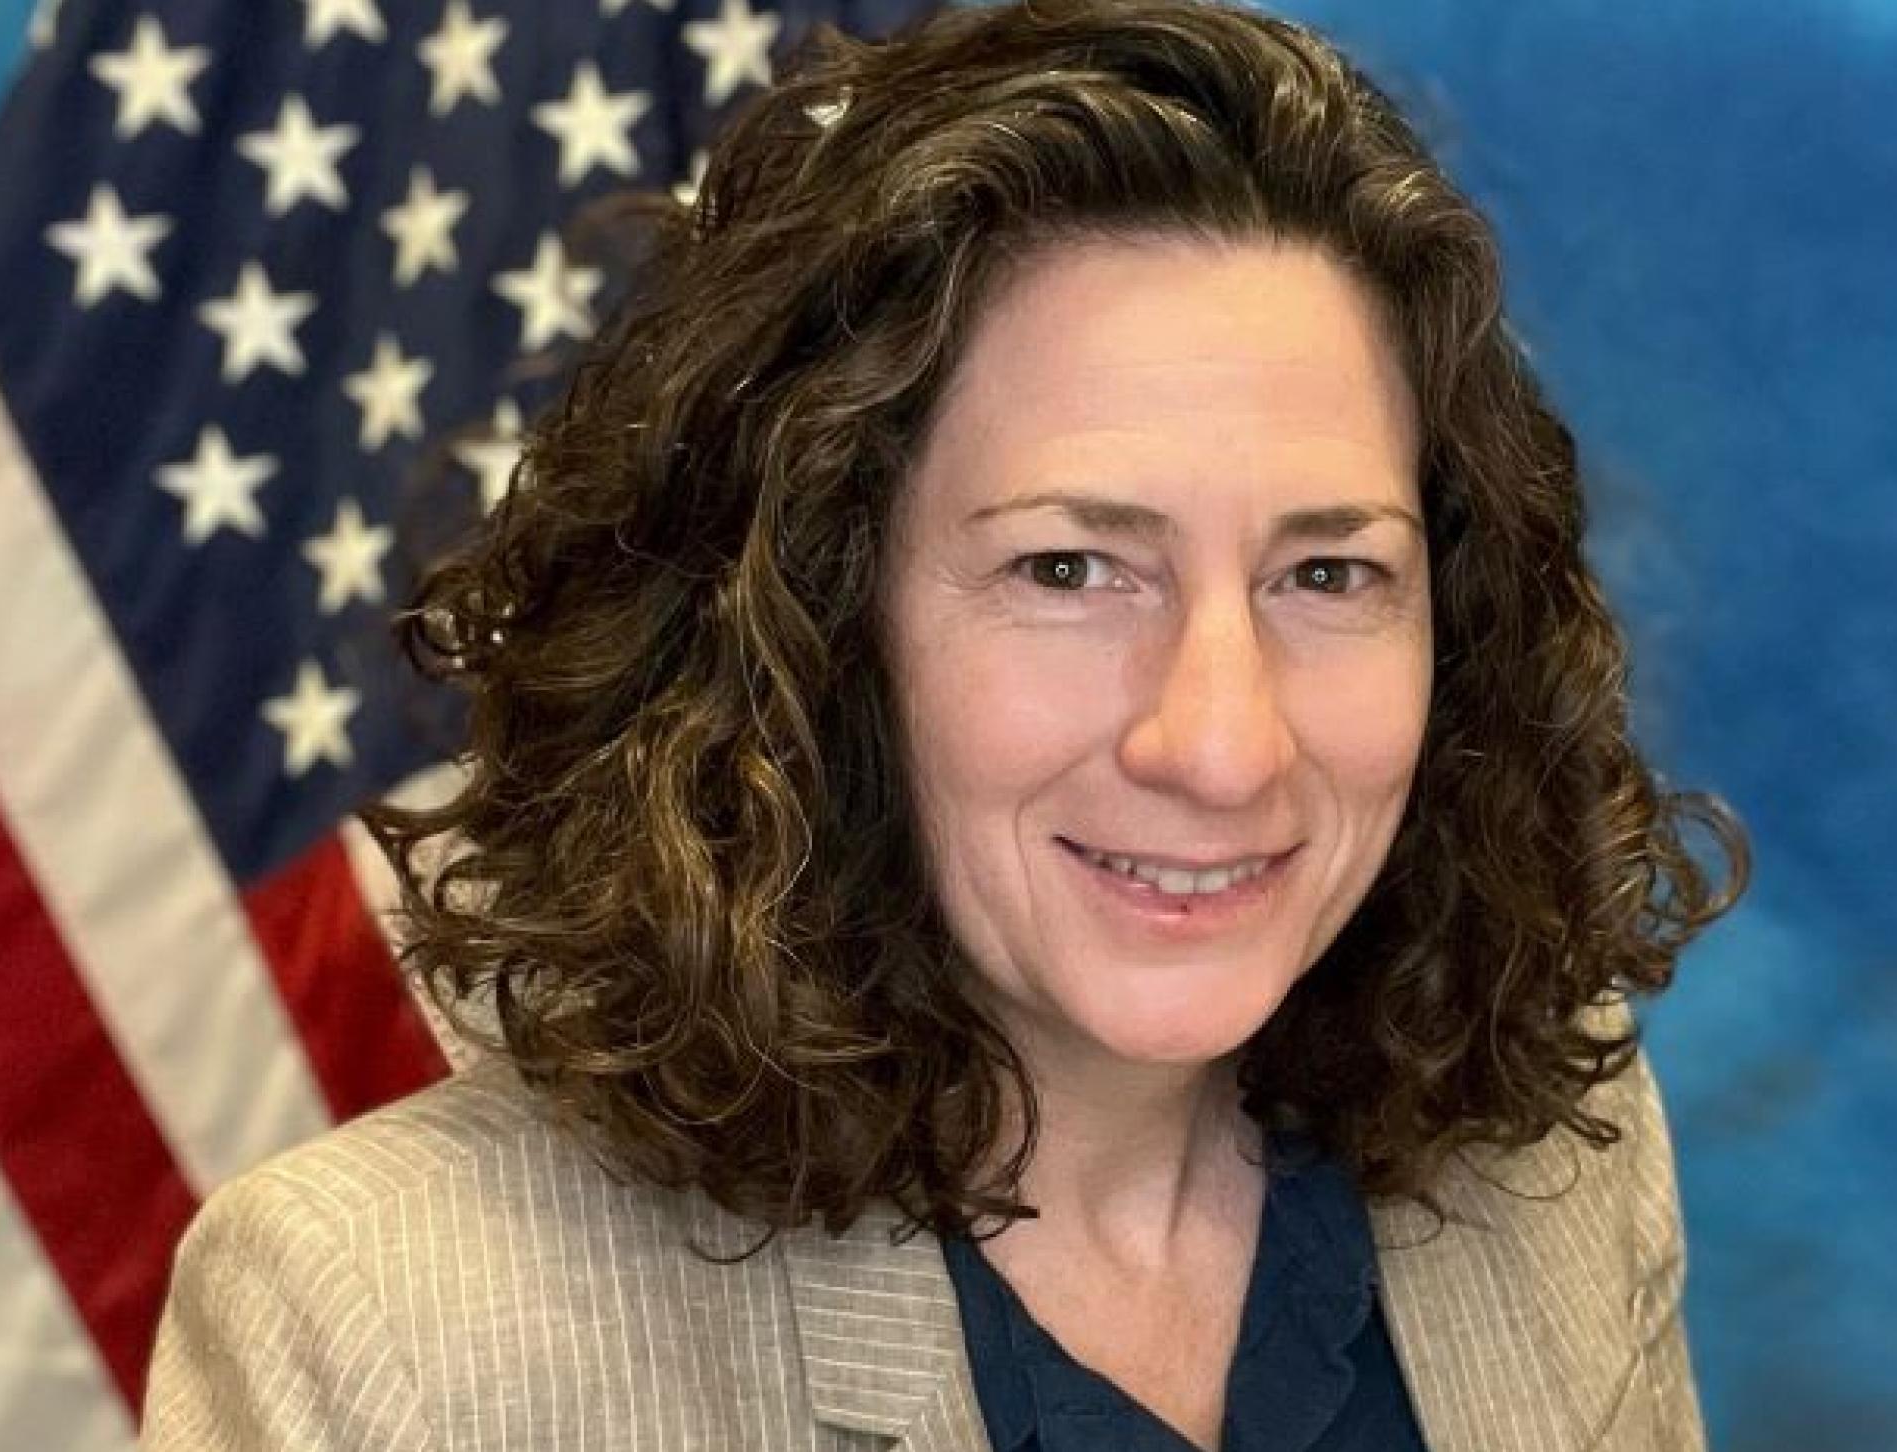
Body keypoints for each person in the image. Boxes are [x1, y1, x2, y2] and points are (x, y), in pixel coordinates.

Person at [142, 1, 1746, 1448]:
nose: (1223, 746)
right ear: (815, 621)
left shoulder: (1558, 1156)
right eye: (1070, 569)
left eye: (1327, 573)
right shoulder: (390, 1330)